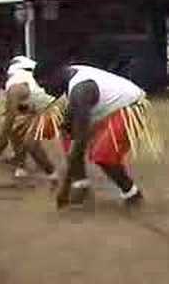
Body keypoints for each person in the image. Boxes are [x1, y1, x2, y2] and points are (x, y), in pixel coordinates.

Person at [33, 61, 161, 209]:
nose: (45, 91)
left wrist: (64, 188)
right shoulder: (70, 75)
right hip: (109, 110)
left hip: (132, 108)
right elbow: (73, 128)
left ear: (54, 76)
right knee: (67, 129)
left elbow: (80, 141)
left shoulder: (80, 91)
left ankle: (132, 194)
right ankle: (81, 184)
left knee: (103, 156)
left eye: (44, 85)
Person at [0, 56, 59, 185]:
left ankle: (53, 176)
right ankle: (21, 165)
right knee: (15, 128)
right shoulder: (14, 67)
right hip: (36, 99)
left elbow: (7, 127)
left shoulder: (14, 90)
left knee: (30, 142)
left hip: (53, 102)